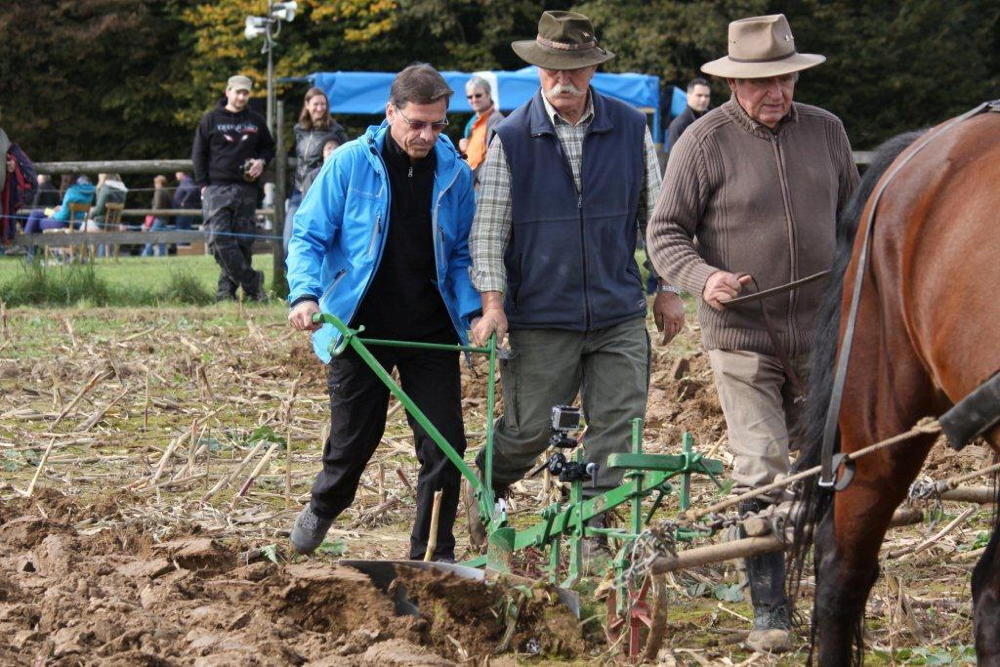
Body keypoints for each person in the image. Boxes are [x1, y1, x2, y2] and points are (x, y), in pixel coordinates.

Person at [646, 14, 860, 652]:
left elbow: (856, 217)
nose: (777, 93)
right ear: (736, 81)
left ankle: (832, 592)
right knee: (764, 467)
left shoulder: (826, 132)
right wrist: (702, 277)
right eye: (762, 82)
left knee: (824, 468)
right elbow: (665, 233)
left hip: (822, 335)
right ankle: (770, 611)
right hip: (741, 335)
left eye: (786, 79)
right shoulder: (704, 141)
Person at [467, 10, 685, 557]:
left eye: (576, 69)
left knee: (617, 426)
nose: (563, 80)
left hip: (616, 311)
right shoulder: (509, 137)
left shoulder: (630, 126)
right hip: (542, 313)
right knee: (528, 431)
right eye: (552, 69)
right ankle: (483, 485)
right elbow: (489, 229)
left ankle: (592, 531)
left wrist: (668, 286)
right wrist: (493, 304)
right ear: (539, 70)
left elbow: (658, 216)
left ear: (592, 69)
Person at [286, 64, 480, 563]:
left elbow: (459, 254)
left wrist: (475, 310)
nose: (427, 135)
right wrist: (305, 296)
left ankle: (432, 554)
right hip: (360, 327)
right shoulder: (352, 163)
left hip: (429, 330)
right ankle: (320, 512)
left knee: (444, 445)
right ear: (391, 112)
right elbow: (308, 235)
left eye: (437, 125)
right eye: (416, 123)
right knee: (353, 443)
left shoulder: (454, 172)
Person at [192, 74, 274, 301]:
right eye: (237, 92)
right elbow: (198, 154)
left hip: (246, 189)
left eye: (245, 93)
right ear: (227, 92)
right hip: (216, 187)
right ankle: (252, 282)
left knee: (242, 242)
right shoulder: (210, 119)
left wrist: (261, 161)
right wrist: (203, 185)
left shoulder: (256, 121)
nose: (241, 97)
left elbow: (269, 148)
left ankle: (225, 294)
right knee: (218, 239)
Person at [284, 87, 349, 253]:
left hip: (320, 192)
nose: (320, 108)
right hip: (298, 192)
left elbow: (343, 163)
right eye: (316, 104)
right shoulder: (299, 130)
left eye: (323, 104)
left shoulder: (336, 131)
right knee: (288, 241)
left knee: (318, 241)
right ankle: (292, 278)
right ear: (307, 105)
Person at [458, 76, 504, 185]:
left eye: (478, 95)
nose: (474, 100)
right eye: (470, 97)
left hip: (484, 184)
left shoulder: (496, 120)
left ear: (488, 95)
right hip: (471, 182)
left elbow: (495, 157)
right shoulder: (472, 122)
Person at [23, 175, 95, 234]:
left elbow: (62, 216)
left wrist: (53, 214)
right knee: (38, 212)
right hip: (77, 221)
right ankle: (30, 246)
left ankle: (26, 244)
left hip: (65, 221)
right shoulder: (90, 193)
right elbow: (72, 208)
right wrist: (60, 208)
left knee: (38, 219)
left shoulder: (71, 192)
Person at [666, 78, 712, 151]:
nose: (703, 99)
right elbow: (676, 159)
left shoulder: (711, 121)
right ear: (688, 96)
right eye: (699, 95)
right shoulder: (678, 125)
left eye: (706, 96)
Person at [142, 175, 170, 257]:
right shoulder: (167, 191)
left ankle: (145, 255)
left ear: (160, 183)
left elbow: (157, 206)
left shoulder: (159, 191)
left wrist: (152, 214)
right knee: (161, 237)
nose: (155, 185)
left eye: (156, 183)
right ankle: (162, 255)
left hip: (158, 217)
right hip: (165, 218)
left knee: (151, 236)